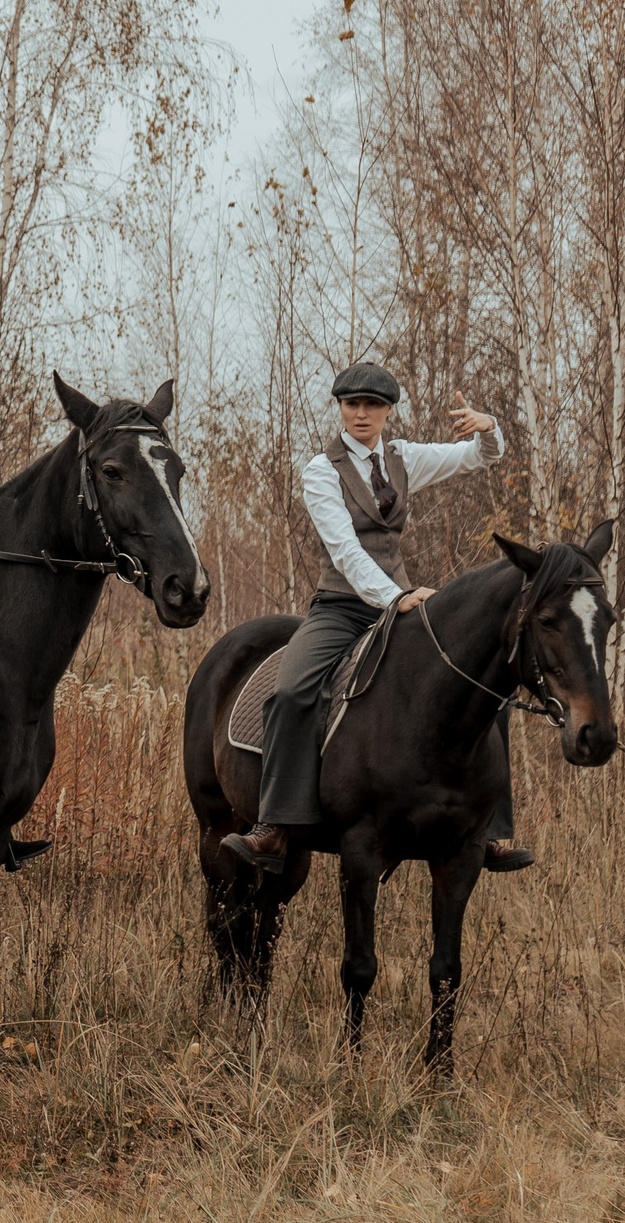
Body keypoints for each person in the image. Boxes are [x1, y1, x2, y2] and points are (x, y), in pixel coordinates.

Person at [224, 361, 534, 876]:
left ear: (388, 411)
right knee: (291, 690)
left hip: (403, 605)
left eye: (372, 405)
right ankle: (275, 826)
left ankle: (490, 829)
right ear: (341, 409)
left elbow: (478, 458)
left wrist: (490, 429)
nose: (361, 414)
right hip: (343, 607)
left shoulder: (404, 458)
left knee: (486, 680)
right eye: (352, 405)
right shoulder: (320, 471)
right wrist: (394, 597)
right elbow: (345, 551)